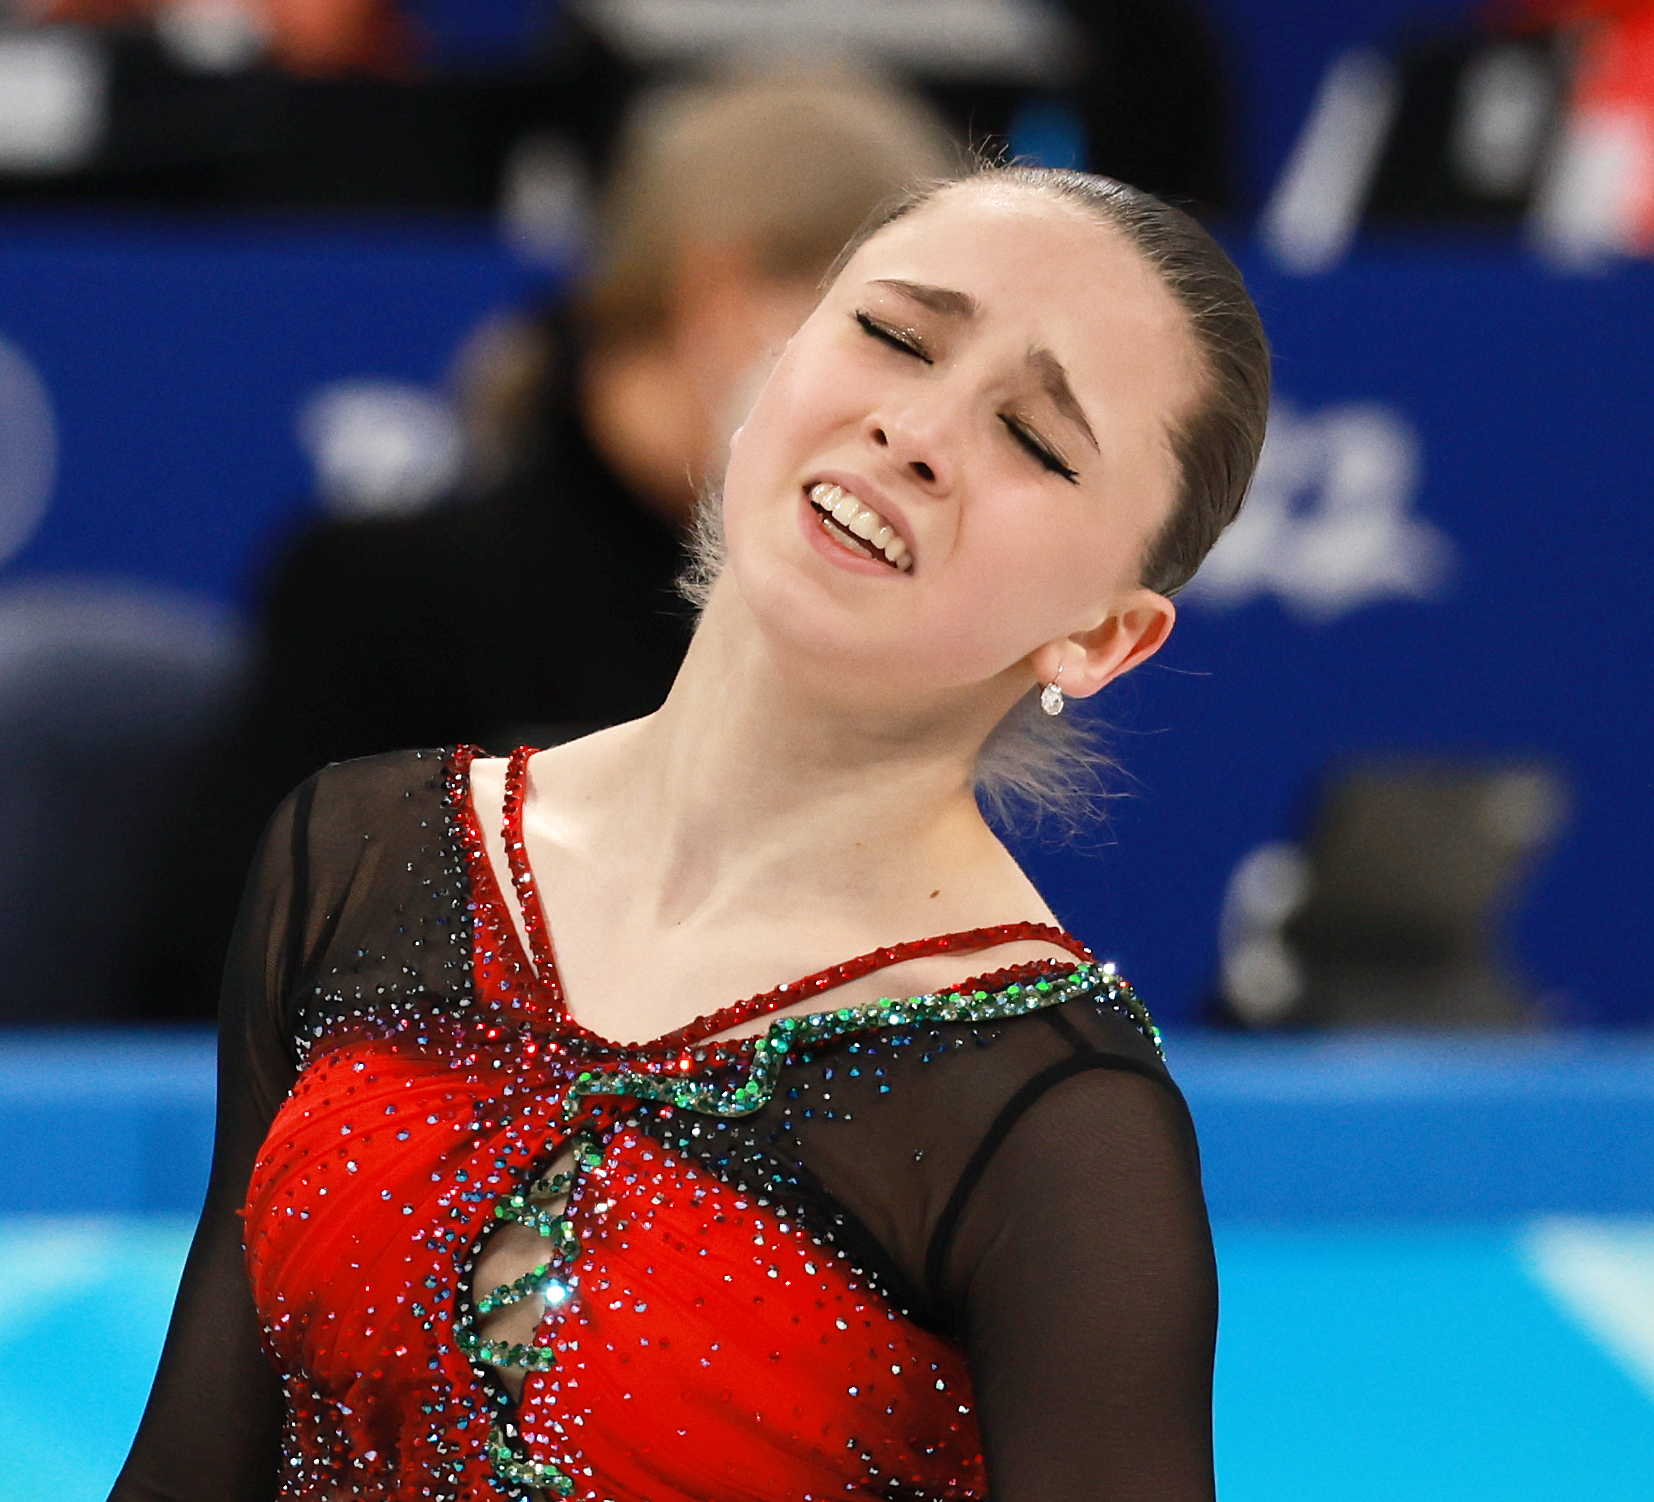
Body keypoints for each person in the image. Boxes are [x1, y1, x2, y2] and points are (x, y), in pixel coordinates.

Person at [110, 163, 1270, 1501]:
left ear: (1104, 636)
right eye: (894, 336)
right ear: (772, 362)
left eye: (1035, 437)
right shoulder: (364, 853)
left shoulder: (1049, 1125)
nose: (918, 429)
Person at [133, 71, 958, 1019]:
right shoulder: (382, 594)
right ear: (722, 296)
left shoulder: (852, 636)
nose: (914, 422)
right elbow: (232, 979)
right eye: (894, 342)